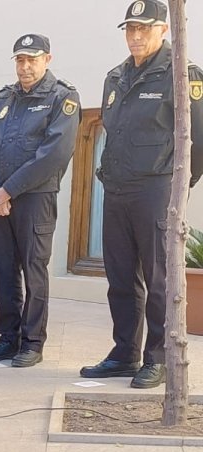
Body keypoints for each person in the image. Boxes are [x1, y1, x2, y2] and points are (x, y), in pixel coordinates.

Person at [80, 0, 203, 387]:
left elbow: (198, 140)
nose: (135, 36)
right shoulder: (115, 76)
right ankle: (124, 354)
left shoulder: (182, 74)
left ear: (163, 30)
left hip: (155, 190)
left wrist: (176, 188)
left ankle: (159, 357)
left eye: (144, 29)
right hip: (116, 189)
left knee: (159, 279)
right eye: (130, 29)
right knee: (119, 278)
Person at [0, 35, 80, 369]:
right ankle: (8, 337)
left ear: (47, 59)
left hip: (36, 199)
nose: (25, 66)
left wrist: (9, 190)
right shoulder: (0, 101)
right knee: (3, 269)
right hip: (0, 203)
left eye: (32, 60)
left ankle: (33, 342)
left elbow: (54, 155)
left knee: (34, 270)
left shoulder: (62, 97)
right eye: (19, 60)